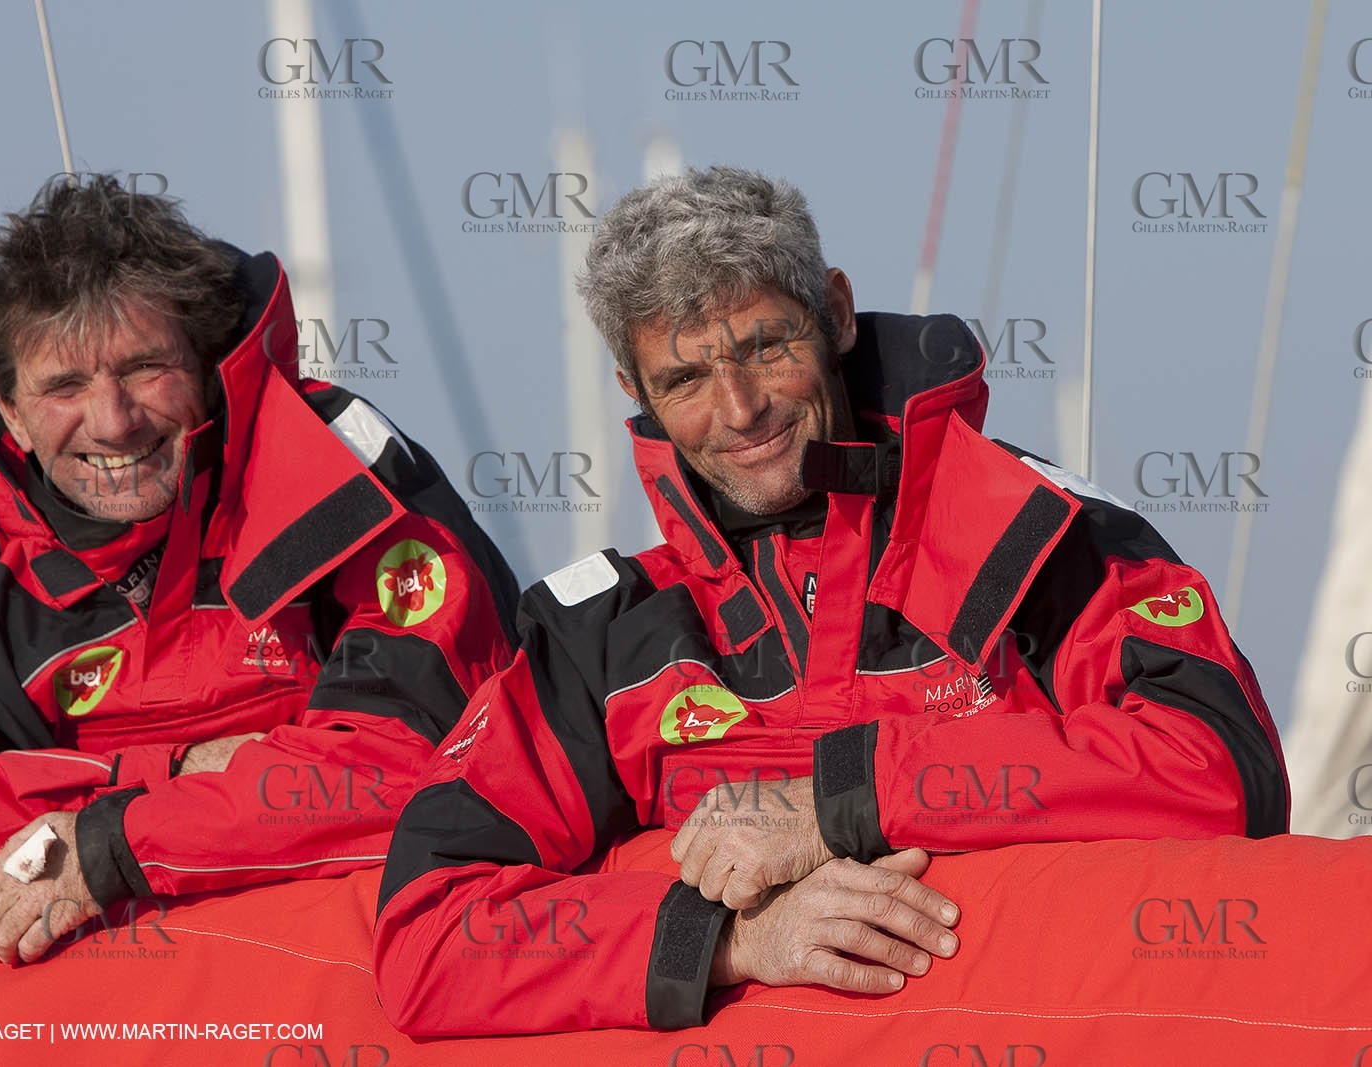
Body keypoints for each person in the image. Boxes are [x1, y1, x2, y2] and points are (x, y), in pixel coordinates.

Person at [372, 166, 1288, 1034]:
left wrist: (837, 803)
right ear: (634, 392)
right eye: (686, 380)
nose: (739, 410)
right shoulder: (601, 634)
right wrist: (728, 942)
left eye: (766, 347)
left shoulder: (1036, 534)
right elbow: (429, 939)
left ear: (837, 314)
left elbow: (1222, 770)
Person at [0, 175, 518, 964]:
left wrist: (105, 841)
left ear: (207, 363)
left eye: (145, 367)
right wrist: (171, 771)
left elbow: (429, 762)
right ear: (9, 409)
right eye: (65, 385)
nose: (114, 422)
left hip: (347, 981)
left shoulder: (333, 475)